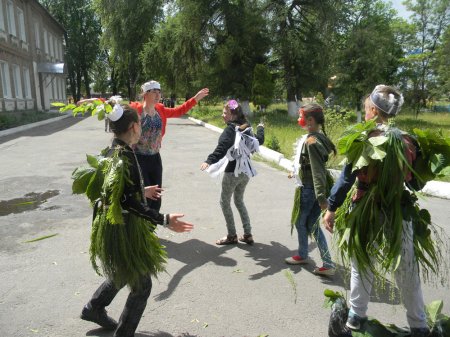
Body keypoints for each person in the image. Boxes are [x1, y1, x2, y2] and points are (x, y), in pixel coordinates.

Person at [76, 102, 194, 337]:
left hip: (116, 224)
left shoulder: (114, 150)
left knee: (123, 269)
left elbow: (121, 192)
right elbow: (128, 203)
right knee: (142, 286)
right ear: (133, 127)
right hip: (124, 228)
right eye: (140, 123)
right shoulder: (124, 156)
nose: (142, 127)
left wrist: (142, 189)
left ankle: (95, 307)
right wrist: (164, 219)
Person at [323, 85, 432, 337]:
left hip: (366, 210)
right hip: (398, 210)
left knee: (362, 263)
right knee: (406, 267)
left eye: (366, 110)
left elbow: (347, 177)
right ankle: (419, 326)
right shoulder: (408, 141)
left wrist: (331, 208)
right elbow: (416, 182)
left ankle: (355, 318)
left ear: (373, 109)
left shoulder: (364, 138)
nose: (366, 114)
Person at [130, 81, 209, 211]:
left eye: (159, 92)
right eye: (154, 92)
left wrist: (195, 99)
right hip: (139, 158)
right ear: (145, 94)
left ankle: (153, 222)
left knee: (156, 194)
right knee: (144, 194)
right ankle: (142, 223)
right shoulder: (135, 111)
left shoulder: (160, 109)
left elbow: (179, 111)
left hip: (155, 158)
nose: (157, 95)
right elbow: (115, 111)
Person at [200, 99, 264, 245]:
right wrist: (261, 128)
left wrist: (209, 160)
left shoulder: (230, 129)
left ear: (234, 115)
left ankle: (231, 235)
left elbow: (222, 147)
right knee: (239, 201)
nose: (223, 115)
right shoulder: (246, 127)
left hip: (232, 173)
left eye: (225, 113)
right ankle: (247, 234)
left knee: (224, 202)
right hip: (245, 173)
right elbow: (259, 140)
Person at [285, 103, 336, 276]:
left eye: (302, 116)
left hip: (310, 189)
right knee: (312, 225)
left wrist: (321, 198)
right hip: (311, 187)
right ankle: (326, 262)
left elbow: (318, 171)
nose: (299, 119)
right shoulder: (318, 137)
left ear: (310, 120)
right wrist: (297, 172)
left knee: (301, 222)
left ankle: (303, 254)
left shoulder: (312, 142)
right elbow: (311, 165)